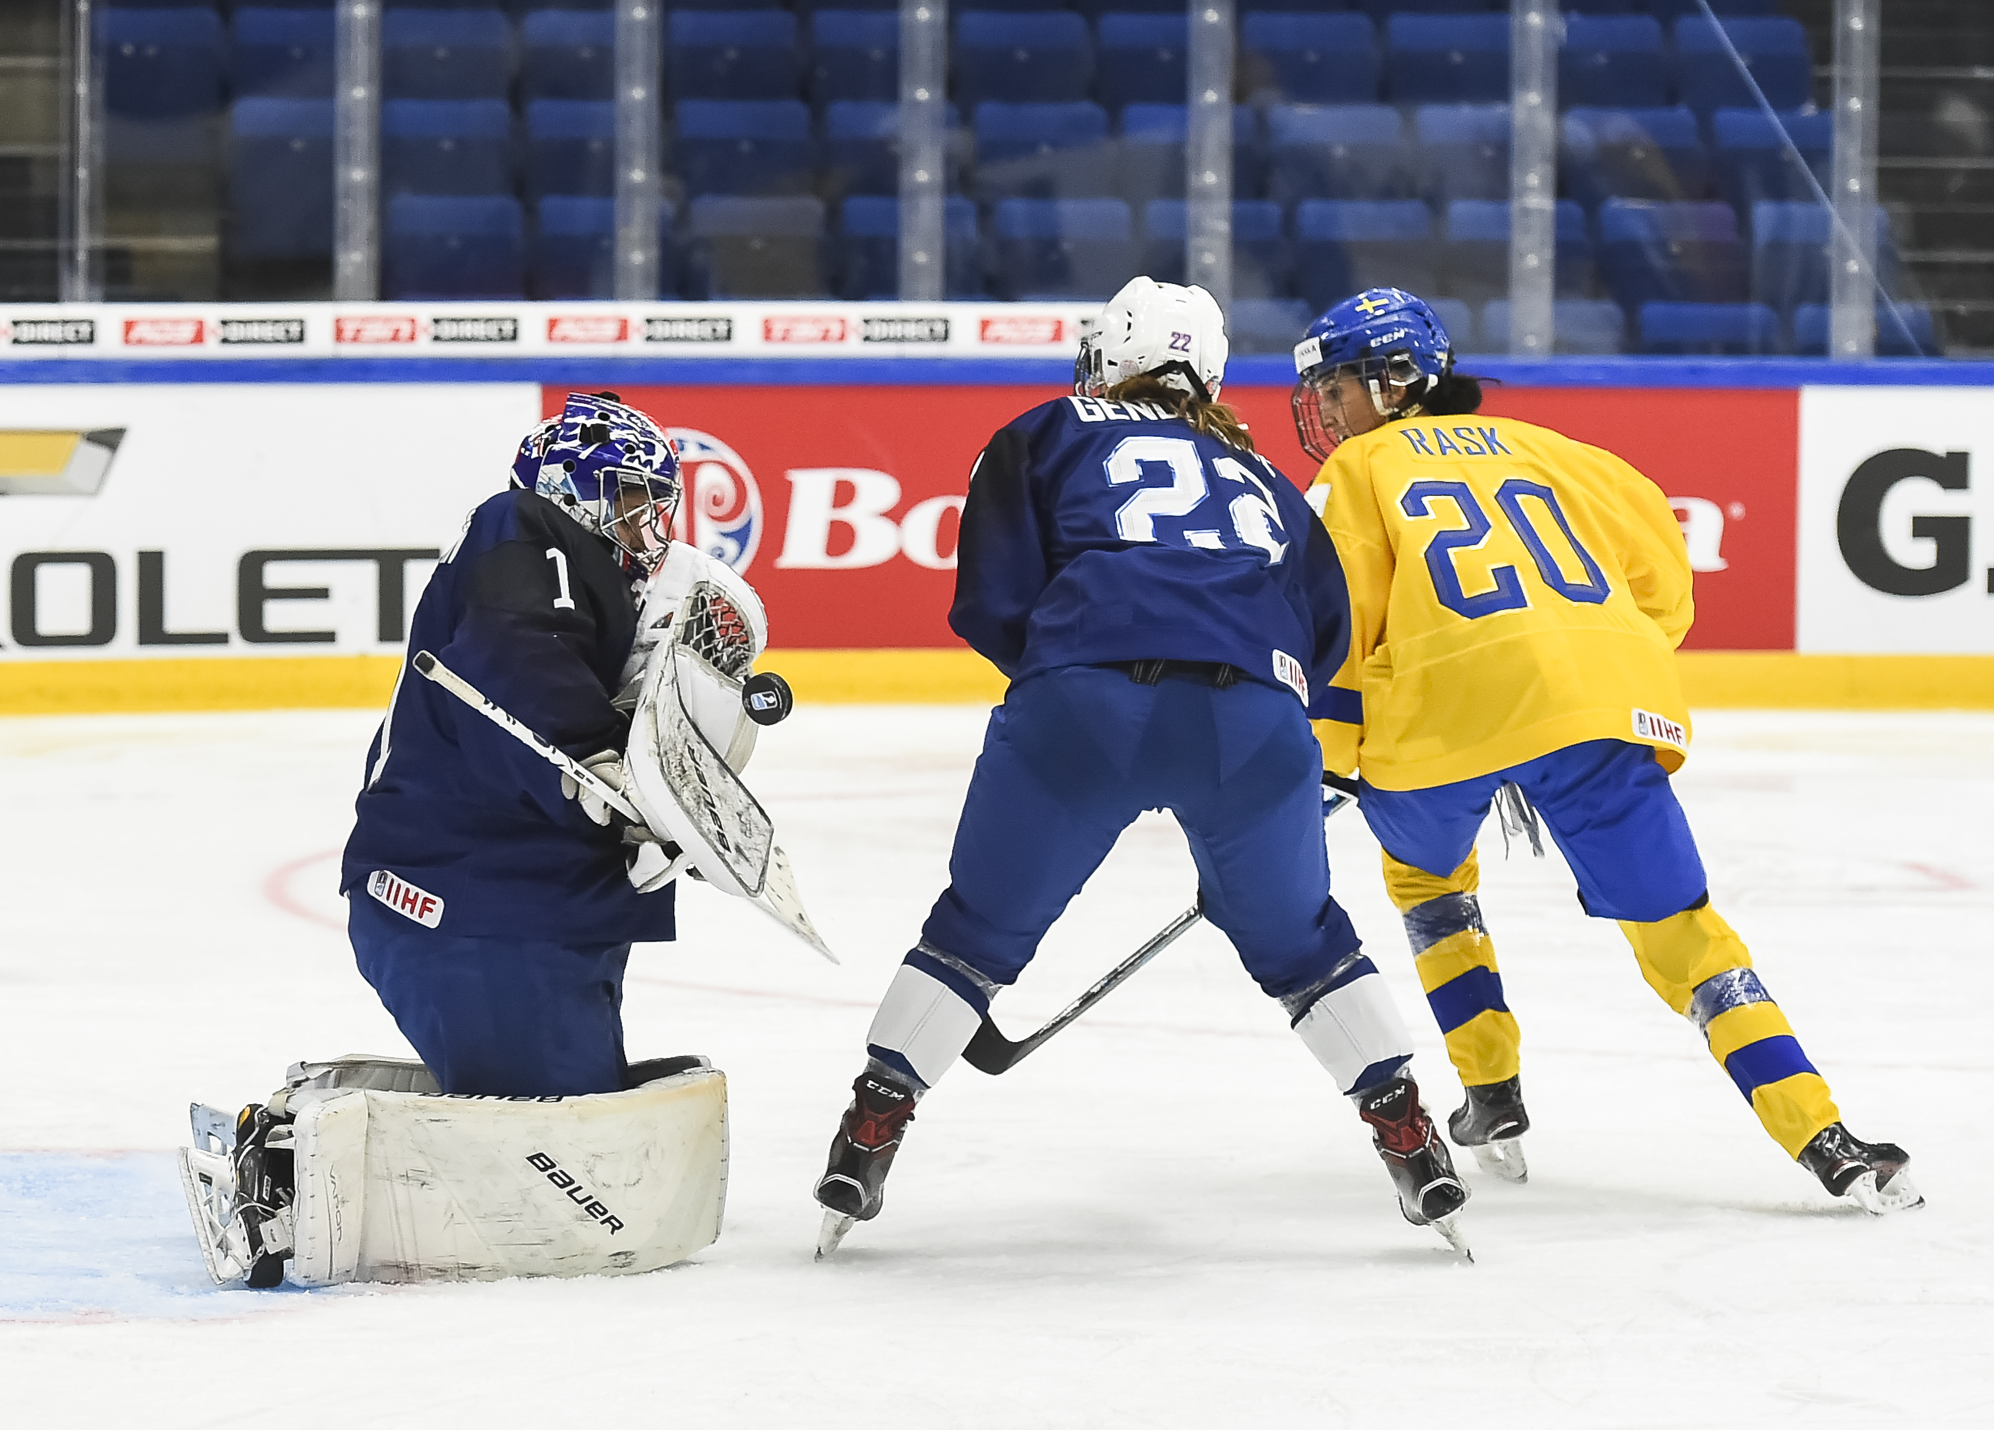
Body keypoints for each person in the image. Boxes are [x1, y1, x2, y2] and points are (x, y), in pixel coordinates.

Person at [811, 277, 1470, 1259]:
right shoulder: (1262, 474)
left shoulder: (1044, 429)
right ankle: (1404, 1125)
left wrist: (1072, 681)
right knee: (1302, 943)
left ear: (1109, 357)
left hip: (1082, 699)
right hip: (1254, 719)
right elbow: (1320, 633)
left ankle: (874, 1119)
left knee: (977, 930)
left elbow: (991, 597)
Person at [1291, 287, 1919, 1213]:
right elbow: (1664, 587)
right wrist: (1577, 671)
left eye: (1336, 386)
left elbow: (1336, 626)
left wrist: (1329, 756)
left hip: (1437, 722)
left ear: (1391, 382)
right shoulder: (1560, 452)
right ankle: (1825, 1138)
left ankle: (1493, 1096)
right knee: (1685, 934)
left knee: (1430, 886)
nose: (1326, 409)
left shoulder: (1356, 474)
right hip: (1597, 710)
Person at [339, 390, 688, 1098]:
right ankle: (290, 1163)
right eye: (627, 499)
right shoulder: (522, 527)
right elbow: (518, 648)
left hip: (529, 905)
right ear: (569, 488)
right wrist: (593, 758)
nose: (644, 525)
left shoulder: (586, 582)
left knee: (577, 1127)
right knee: (558, 1150)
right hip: (468, 907)